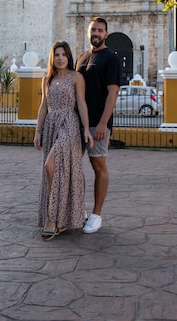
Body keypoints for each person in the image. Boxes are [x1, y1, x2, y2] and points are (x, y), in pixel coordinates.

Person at [34, 40, 94, 240]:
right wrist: (37, 131)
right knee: (54, 169)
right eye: (57, 55)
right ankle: (57, 217)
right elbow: (44, 106)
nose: (60, 58)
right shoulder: (47, 79)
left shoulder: (76, 77)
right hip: (51, 125)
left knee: (51, 166)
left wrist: (86, 130)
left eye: (64, 55)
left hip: (69, 124)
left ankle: (53, 216)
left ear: (69, 57)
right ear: (53, 57)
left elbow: (82, 105)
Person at [76, 17, 122, 234]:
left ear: (106, 33)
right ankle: (79, 211)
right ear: (88, 32)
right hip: (78, 123)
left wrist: (104, 122)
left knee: (98, 166)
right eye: (93, 30)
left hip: (98, 124)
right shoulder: (82, 58)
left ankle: (96, 215)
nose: (96, 33)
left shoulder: (110, 58)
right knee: (74, 168)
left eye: (100, 30)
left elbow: (113, 91)